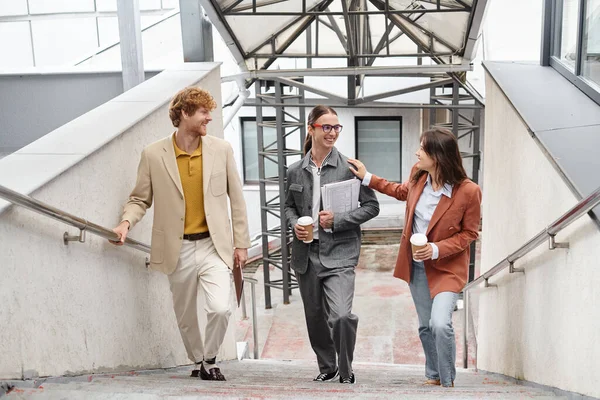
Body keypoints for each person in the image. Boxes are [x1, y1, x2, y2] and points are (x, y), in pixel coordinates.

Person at [110, 87, 250, 381]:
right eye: (203, 112)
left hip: (214, 245)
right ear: (184, 113)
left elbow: (236, 199)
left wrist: (241, 245)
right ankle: (199, 359)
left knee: (221, 308)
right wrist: (125, 223)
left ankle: (210, 359)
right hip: (178, 248)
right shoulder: (153, 155)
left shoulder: (221, 150)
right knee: (186, 318)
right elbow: (140, 199)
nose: (209, 118)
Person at [348, 127, 482, 388]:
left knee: (440, 323)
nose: (416, 152)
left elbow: (470, 233)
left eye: (422, 148)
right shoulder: (419, 174)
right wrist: (367, 178)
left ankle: (447, 382)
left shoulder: (468, 191)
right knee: (425, 325)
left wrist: (435, 249)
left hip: (447, 268)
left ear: (438, 155)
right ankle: (433, 374)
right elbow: (402, 191)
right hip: (417, 266)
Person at [284, 105, 380, 384]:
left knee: (340, 316)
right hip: (305, 254)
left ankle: (346, 368)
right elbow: (288, 207)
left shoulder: (351, 169)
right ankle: (328, 366)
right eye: (326, 126)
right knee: (314, 317)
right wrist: (296, 225)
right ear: (311, 128)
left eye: (336, 127)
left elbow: (372, 207)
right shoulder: (294, 171)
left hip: (340, 253)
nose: (332, 132)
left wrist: (337, 220)